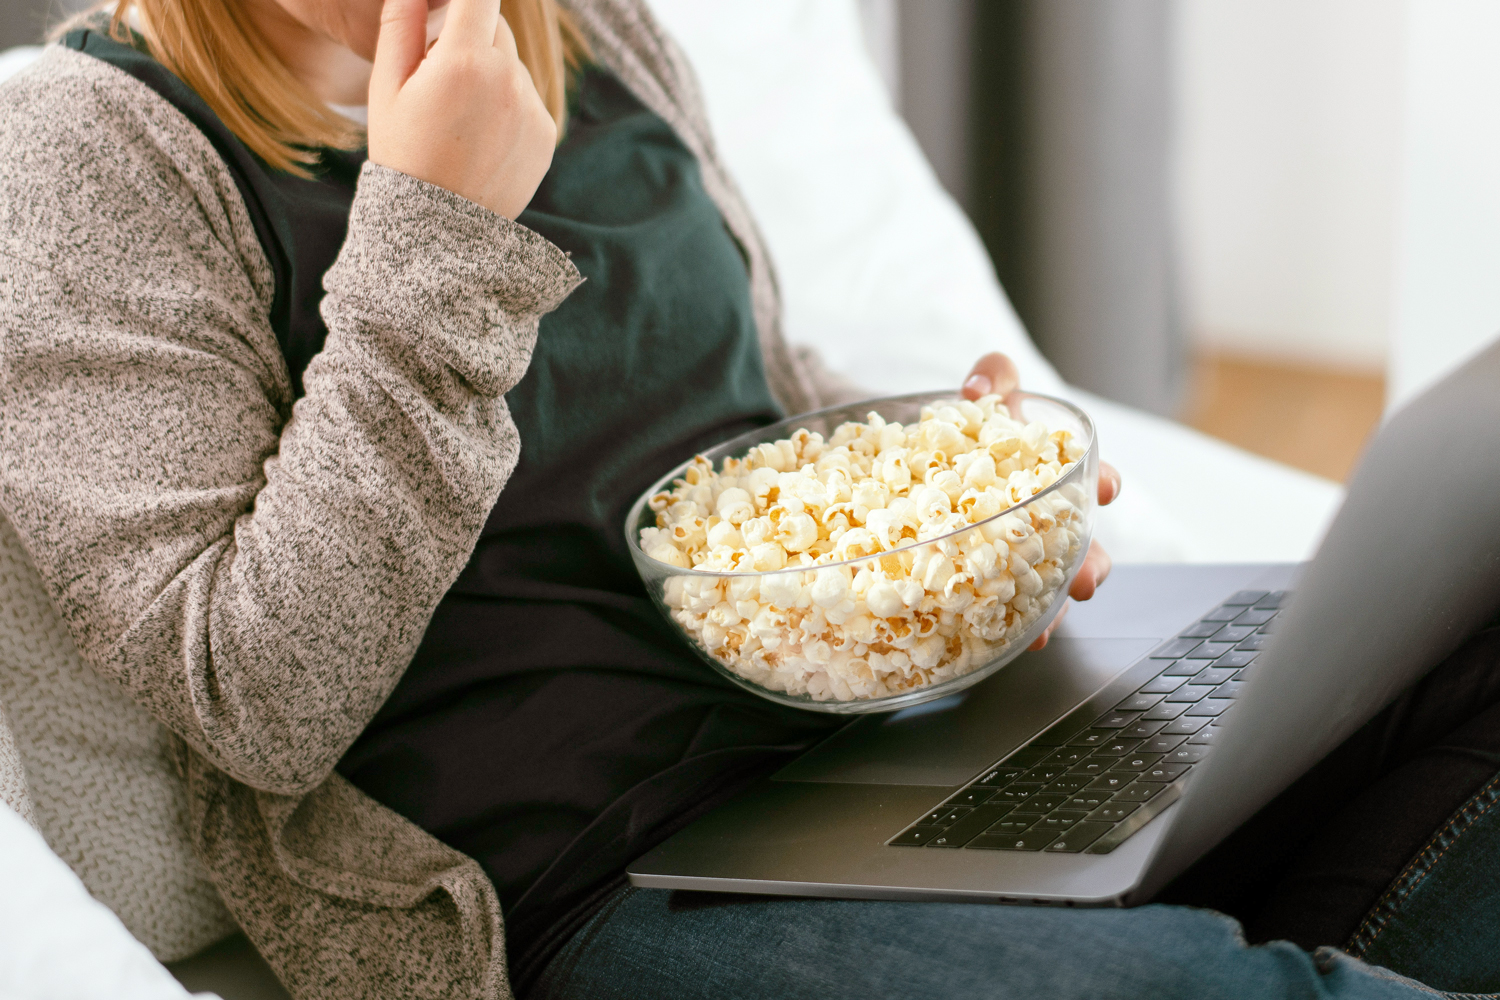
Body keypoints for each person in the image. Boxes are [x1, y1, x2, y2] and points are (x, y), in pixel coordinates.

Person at [0, 0, 1495, 997]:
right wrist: (436, 231)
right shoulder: (86, 150)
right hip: (587, 881)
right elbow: (254, 701)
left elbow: (740, 409)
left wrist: (934, 488)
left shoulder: (594, 28)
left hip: (885, 758)